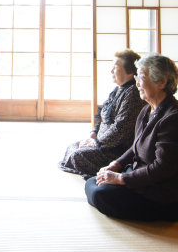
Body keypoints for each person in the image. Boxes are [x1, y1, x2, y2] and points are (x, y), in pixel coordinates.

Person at [85, 53, 178, 222]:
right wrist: (116, 165)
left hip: (168, 191)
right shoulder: (147, 110)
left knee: (101, 195)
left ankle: (168, 212)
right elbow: (136, 146)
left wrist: (120, 178)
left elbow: (163, 169)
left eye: (141, 76)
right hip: (144, 178)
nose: (137, 82)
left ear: (162, 82)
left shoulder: (174, 119)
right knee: (93, 182)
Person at [59, 49, 145, 178]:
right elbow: (103, 114)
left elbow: (121, 128)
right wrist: (94, 132)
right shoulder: (118, 89)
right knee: (73, 146)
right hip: (102, 142)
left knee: (78, 155)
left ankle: (111, 172)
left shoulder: (133, 93)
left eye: (115, 67)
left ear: (130, 71)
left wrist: (96, 142)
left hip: (117, 150)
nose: (111, 71)